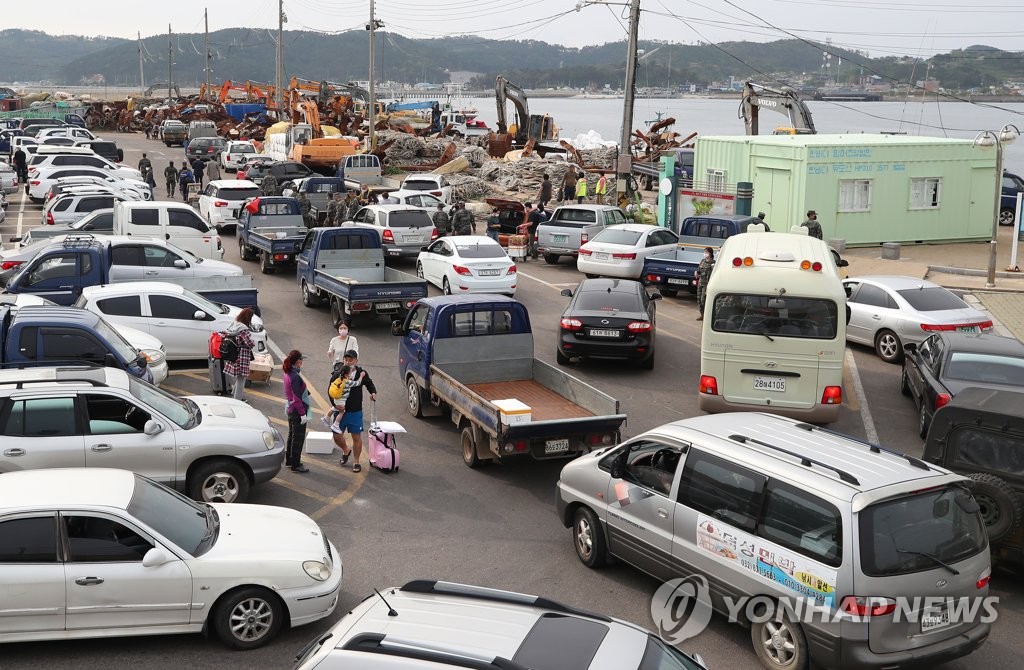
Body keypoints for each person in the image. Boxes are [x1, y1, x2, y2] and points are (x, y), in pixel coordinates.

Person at [334, 350, 377, 473]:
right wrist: (335, 405)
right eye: (346, 359)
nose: (348, 362)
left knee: (356, 437)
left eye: (351, 360)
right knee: (336, 436)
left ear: (356, 361)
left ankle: (356, 461)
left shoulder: (361, 373)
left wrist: (373, 392)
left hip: (355, 411)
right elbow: (331, 390)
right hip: (340, 411)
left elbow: (369, 383)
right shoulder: (338, 373)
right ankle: (346, 450)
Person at [282, 350, 311, 473]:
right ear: (298, 361)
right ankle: (296, 464)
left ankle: (289, 460)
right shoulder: (294, 376)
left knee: (291, 435)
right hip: (297, 410)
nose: (302, 362)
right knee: (298, 438)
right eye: (301, 360)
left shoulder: (288, 372)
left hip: (290, 408)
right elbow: (297, 398)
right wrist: (302, 414)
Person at [221, 308, 256, 402]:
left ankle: (235, 393)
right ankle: (238, 399)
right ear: (248, 318)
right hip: (242, 356)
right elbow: (250, 343)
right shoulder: (243, 329)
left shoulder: (234, 324)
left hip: (233, 354)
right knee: (242, 378)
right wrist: (253, 342)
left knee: (240, 376)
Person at [696, 246, 716, 321]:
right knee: (698, 299)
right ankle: (702, 315)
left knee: (703, 300)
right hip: (700, 283)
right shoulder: (702, 261)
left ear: (710, 253)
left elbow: (714, 273)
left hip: (707, 284)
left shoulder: (713, 263)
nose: (705, 254)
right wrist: (696, 272)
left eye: (706, 252)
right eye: (704, 252)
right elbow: (698, 270)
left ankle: (707, 315)